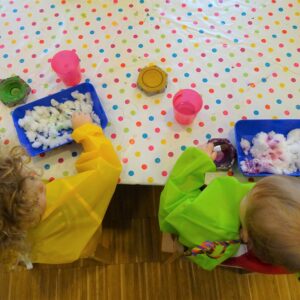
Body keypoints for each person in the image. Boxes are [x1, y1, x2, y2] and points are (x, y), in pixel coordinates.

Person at [0, 112, 122, 268]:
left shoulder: (7, 239)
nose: (34, 175)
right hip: (82, 243)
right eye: (37, 195)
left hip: (45, 254)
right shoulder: (68, 196)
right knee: (89, 245)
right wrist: (86, 130)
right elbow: (106, 169)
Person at [159, 143, 300, 273]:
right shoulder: (281, 253)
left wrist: (197, 162)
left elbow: (171, 203)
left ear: (245, 235)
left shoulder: (211, 218)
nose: (250, 187)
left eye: (249, 193)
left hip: (188, 235)